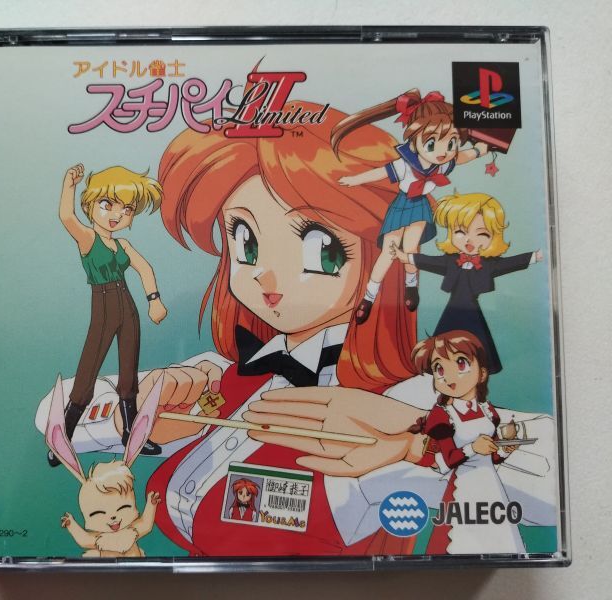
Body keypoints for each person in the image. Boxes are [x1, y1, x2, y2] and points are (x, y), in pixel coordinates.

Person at [35, 102, 557, 556]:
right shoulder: (224, 372)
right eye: (245, 242)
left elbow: (552, 478)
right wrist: (141, 419)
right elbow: (52, 415)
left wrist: (410, 434)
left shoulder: (411, 398)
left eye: (319, 250)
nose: (266, 276)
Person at [333, 90, 489, 324]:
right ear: (414, 140)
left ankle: (411, 286)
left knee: (410, 248)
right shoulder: (406, 164)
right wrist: (355, 180)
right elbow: (380, 173)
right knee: (388, 252)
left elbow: (462, 156)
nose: (443, 152)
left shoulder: (444, 163)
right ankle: (368, 297)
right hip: (402, 204)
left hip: (420, 207)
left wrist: (479, 150)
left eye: (451, 142)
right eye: (432, 143)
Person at [50, 163, 167, 466]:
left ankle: (130, 434)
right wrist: (69, 185)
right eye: (107, 205)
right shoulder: (88, 239)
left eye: (127, 209)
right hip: (102, 306)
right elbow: (66, 217)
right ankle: (62, 439)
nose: (117, 215)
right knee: (87, 372)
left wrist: (154, 300)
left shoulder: (123, 244)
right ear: (90, 206)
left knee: (129, 371)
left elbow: (145, 269)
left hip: (127, 305)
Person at [391, 192, 542, 373]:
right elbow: (428, 261)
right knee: (444, 343)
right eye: (461, 232)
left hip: (472, 311)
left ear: (493, 237)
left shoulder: (489, 264)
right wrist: (405, 256)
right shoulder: (450, 260)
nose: (469, 240)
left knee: (477, 344)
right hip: (453, 309)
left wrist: (536, 256)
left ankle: (474, 375)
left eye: (482, 233)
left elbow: (510, 263)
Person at [412, 330, 525, 554]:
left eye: (461, 364)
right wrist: (474, 448)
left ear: (482, 373)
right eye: (439, 369)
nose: (449, 377)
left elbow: (492, 455)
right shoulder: (442, 416)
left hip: (490, 486)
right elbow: (449, 459)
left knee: (500, 539)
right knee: (458, 541)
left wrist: (505, 449)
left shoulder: (487, 410)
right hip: (462, 486)